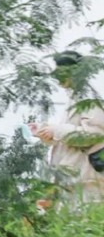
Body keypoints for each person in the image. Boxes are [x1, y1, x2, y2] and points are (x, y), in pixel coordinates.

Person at [31, 50, 104, 203]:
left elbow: (94, 134)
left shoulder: (90, 98)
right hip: (71, 183)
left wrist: (56, 130)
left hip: (89, 185)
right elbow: (70, 140)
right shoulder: (73, 100)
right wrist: (47, 132)